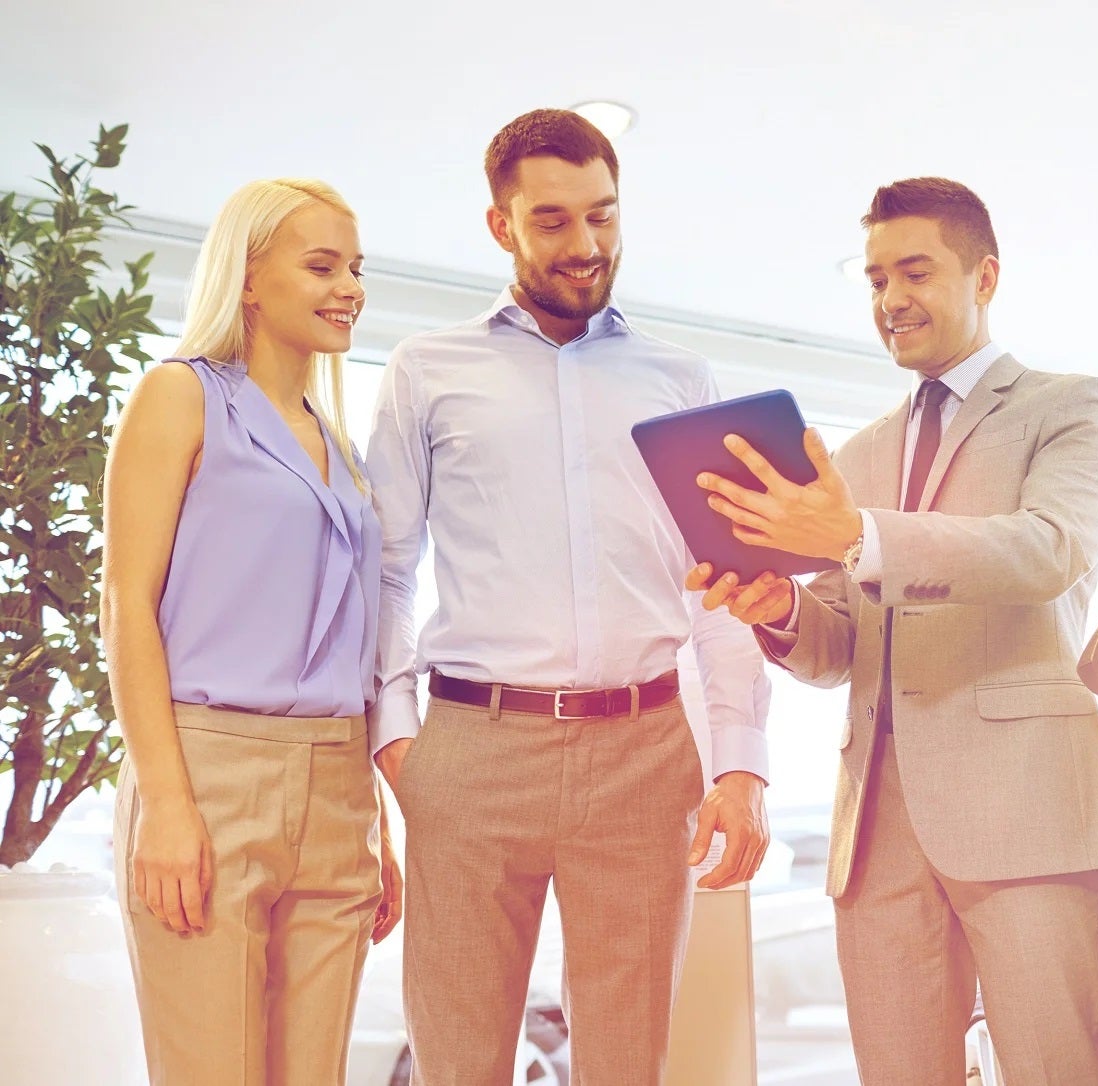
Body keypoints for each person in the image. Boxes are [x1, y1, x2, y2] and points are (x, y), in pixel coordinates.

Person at [689, 177, 1098, 1083]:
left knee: (1053, 1069)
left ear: (985, 276)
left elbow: (1048, 551)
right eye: (876, 279)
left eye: (915, 272)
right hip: (877, 826)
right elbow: (841, 648)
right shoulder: (856, 456)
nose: (891, 298)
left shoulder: (1072, 406)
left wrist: (857, 534)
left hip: (1025, 809)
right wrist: (782, 612)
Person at [365, 107, 772, 1083]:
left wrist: (740, 766)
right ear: (500, 224)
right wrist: (395, 738)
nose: (585, 244)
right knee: (459, 1059)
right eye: (552, 220)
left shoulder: (680, 378)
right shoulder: (426, 370)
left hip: (644, 758)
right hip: (470, 751)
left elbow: (722, 589)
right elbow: (386, 565)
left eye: (603, 214)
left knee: (628, 1063)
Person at [102, 178, 401, 1085]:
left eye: (356, 269)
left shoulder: (340, 446)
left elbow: (356, 640)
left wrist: (376, 820)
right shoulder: (180, 396)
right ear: (247, 277)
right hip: (207, 773)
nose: (349, 288)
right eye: (322, 266)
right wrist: (166, 804)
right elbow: (126, 605)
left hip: (339, 783)